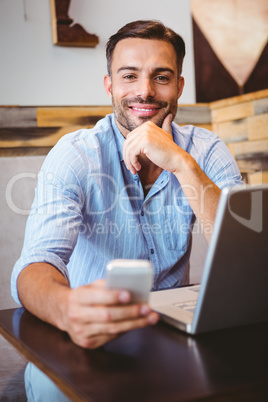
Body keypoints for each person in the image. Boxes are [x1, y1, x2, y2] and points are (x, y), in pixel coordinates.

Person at [11, 20, 242, 400]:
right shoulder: (75, 155)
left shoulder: (206, 150)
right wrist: (68, 310)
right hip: (87, 342)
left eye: (161, 77)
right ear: (110, 86)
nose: (145, 91)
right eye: (129, 76)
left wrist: (182, 164)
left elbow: (244, 257)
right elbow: (37, 262)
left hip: (173, 342)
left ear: (180, 86)